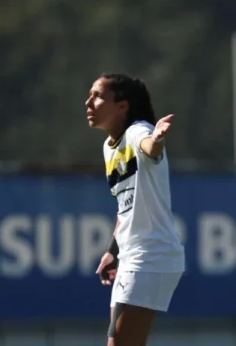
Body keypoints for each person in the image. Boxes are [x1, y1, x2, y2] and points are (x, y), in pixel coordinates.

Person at [86, 74, 185, 346]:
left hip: (151, 255)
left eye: (97, 96)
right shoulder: (109, 147)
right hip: (131, 256)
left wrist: (157, 138)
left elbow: (149, 147)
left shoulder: (137, 130)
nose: (88, 102)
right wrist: (111, 251)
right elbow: (125, 210)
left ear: (122, 106)